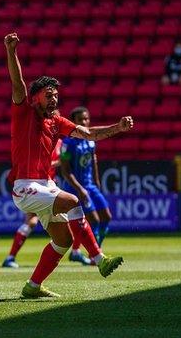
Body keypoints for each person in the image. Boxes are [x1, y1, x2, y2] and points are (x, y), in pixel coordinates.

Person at [5, 32, 133, 298]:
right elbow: (17, 84)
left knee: (62, 241)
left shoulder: (58, 121)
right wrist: (11, 51)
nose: (54, 99)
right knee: (74, 200)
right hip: (25, 187)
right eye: (49, 95)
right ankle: (99, 259)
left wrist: (117, 128)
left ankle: (32, 286)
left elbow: (89, 134)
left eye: (56, 95)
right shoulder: (24, 111)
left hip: (45, 186)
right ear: (36, 97)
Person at [61, 106, 113, 265]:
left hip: (90, 186)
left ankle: (90, 251)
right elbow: (65, 171)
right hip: (76, 188)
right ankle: (95, 256)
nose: (85, 122)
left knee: (106, 217)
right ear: (74, 123)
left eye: (86, 119)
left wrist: (96, 182)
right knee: (94, 220)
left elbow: (93, 161)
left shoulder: (90, 141)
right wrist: (80, 189)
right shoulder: (67, 143)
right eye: (81, 120)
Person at [2, 140, 63, 268]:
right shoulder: (39, 140)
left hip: (50, 185)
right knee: (34, 221)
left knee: (47, 220)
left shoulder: (61, 143)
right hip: (37, 186)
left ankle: (11, 257)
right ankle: (10, 257)